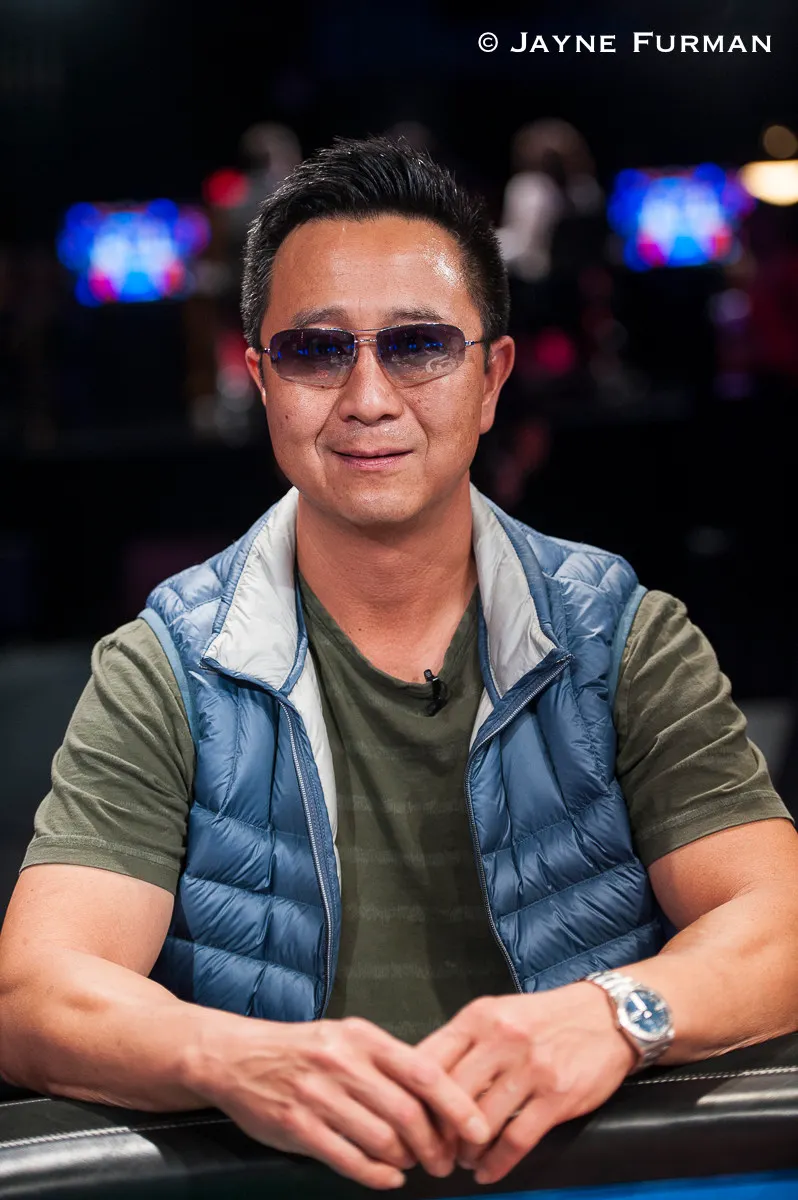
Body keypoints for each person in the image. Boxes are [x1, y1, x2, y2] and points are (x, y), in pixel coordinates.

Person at [1, 136, 797, 1193]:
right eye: (316, 350)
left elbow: (779, 920)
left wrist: (616, 1013)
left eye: (419, 345)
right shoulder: (169, 666)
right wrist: (237, 1057)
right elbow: (37, 992)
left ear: (491, 378)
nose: (369, 398)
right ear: (261, 380)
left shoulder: (618, 635)